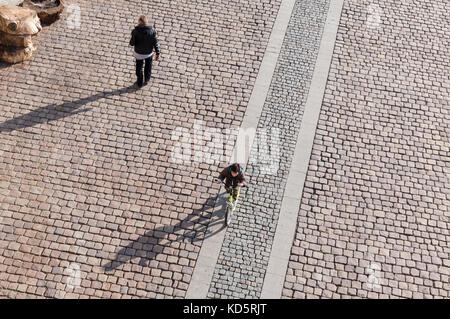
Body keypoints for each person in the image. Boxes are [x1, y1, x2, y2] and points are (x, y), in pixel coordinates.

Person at [129, 15, 160, 88]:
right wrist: (157, 52)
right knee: (148, 66)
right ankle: (146, 79)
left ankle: (139, 82)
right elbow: (155, 42)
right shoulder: (152, 31)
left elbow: (132, 43)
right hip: (148, 53)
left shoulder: (135, 31)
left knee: (139, 67)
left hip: (138, 53)